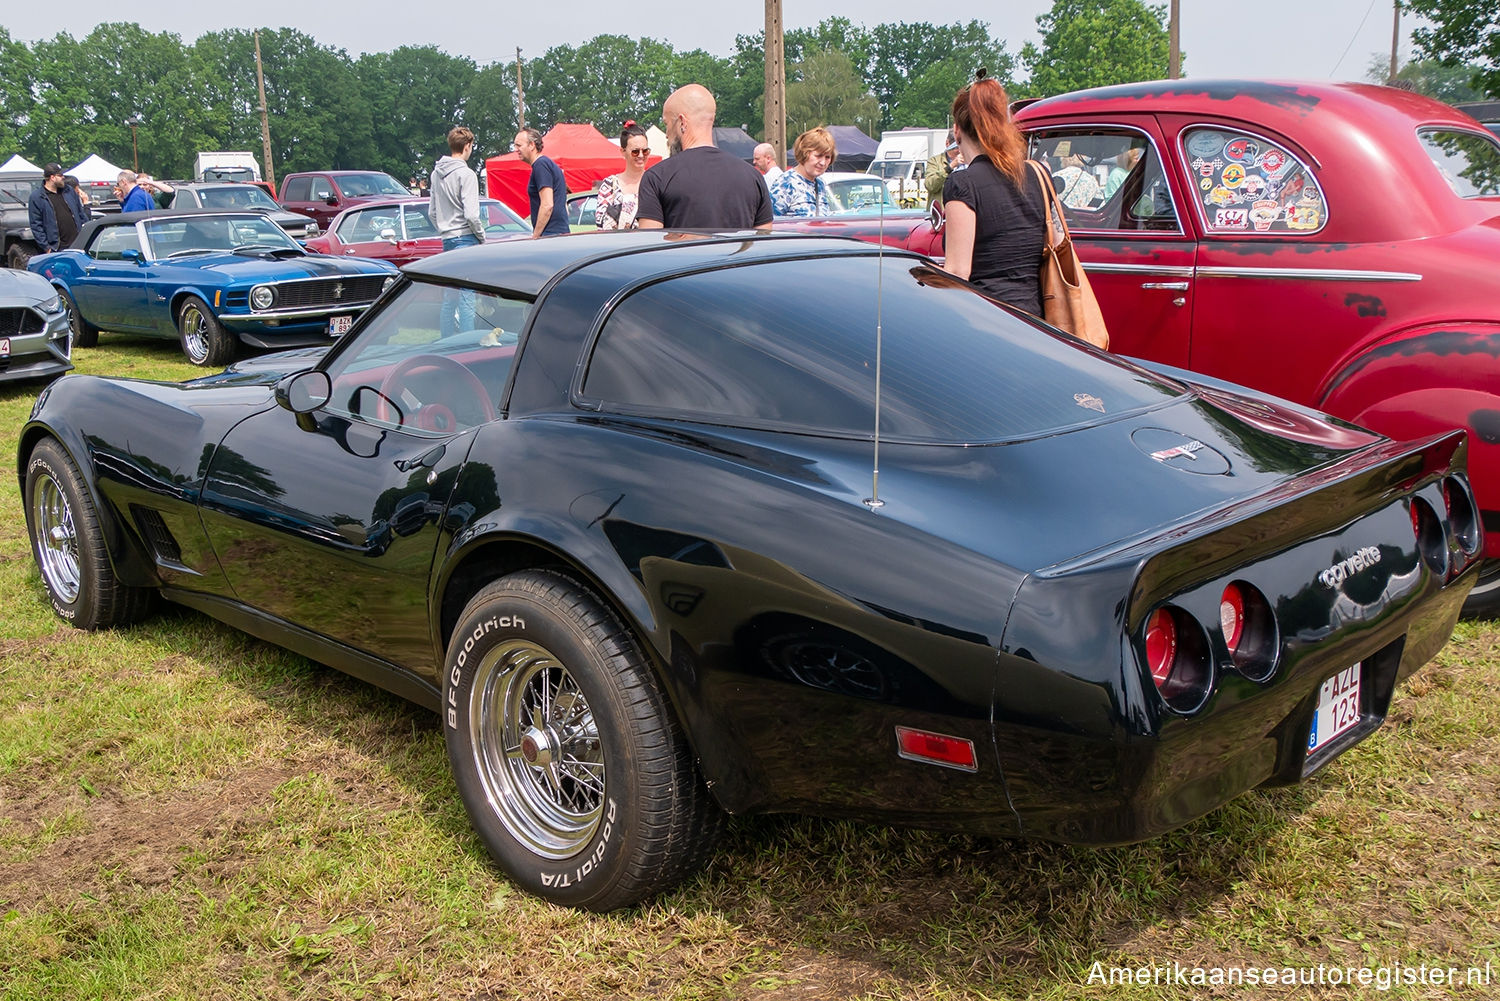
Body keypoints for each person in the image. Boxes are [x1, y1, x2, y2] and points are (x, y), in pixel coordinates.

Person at [941, 74, 1048, 317]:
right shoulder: (1037, 174)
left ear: (957, 131)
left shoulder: (962, 183)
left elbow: (957, 273)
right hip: (1039, 323)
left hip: (989, 324)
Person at [637, 84, 772, 231]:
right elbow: (764, 244)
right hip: (739, 254)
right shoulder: (753, 177)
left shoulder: (656, 177)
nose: (667, 134)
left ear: (682, 122)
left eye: (666, 124)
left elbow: (650, 246)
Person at [431, 125, 486, 337]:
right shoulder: (467, 174)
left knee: (450, 297)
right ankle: (467, 343)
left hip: (447, 238)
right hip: (466, 237)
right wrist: (481, 236)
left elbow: (432, 211)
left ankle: (446, 341)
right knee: (467, 296)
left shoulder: (437, 174)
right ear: (467, 146)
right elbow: (472, 214)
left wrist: (444, 228)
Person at [512, 128, 569, 238]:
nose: (516, 149)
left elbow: (547, 205)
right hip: (559, 232)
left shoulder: (540, 165)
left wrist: (536, 235)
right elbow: (564, 206)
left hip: (551, 234)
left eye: (519, 145)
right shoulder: (547, 164)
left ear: (532, 145)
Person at [768, 127, 836, 217]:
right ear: (804, 153)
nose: (823, 162)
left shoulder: (820, 184)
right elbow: (770, 222)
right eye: (818, 156)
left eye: (827, 157)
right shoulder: (786, 183)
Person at [596, 121, 650, 230]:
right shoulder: (610, 185)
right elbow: (601, 225)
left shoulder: (656, 182)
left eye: (645, 151)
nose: (640, 155)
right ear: (622, 152)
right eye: (635, 151)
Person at [27, 163, 89, 253]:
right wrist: (47, 248)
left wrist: (86, 236)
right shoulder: (37, 197)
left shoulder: (69, 191)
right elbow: (36, 226)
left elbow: (80, 214)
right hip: (57, 248)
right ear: (52, 177)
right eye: (60, 175)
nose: (63, 177)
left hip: (78, 245)